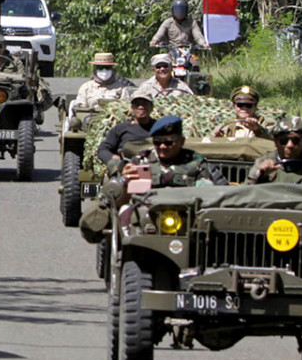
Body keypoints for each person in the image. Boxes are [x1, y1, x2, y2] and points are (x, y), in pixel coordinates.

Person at [80, 116, 226, 242]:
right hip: (146, 215)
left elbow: (210, 191)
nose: (162, 147)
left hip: (187, 217)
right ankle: (127, 250)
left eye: (168, 142)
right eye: (157, 142)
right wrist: (126, 182)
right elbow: (117, 198)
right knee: (125, 211)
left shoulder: (196, 162)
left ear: (181, 141)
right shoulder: (141, 160)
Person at [245, 116, 302, 188]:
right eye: (283, 141)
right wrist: (260, 173)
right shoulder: (264, 163)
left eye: (295, 140)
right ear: (275, 142)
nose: (290, 145)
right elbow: (246, 191)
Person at [95, 93, 156, 165]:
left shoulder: (159, 127)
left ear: (151, 107)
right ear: (132, 108)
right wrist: (115, 160)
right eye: (137, 104)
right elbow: (103, 149)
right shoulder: (121, 128)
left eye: (145, 104)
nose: (141, 107)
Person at [70, 52, 134, 109]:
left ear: (112, 69)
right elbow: (80, 108)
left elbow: (125, 108)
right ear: (95, 69)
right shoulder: (86, 87)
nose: (104, 71)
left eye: (107, 68)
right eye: (100, 68)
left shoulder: (121, 88)